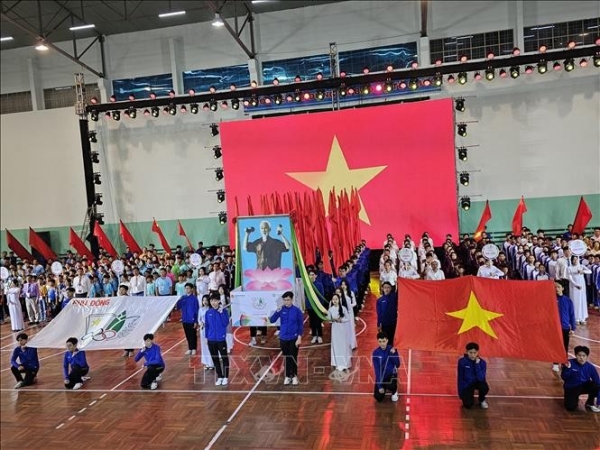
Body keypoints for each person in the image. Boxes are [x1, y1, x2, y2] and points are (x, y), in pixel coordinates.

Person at [269, 291, 304, 385]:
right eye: (284, 300)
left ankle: (295, 376)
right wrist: (277, 311)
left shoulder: (297, 311)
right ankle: (288, 376)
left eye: (288, 300)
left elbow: (301, 325)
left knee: (293, 357)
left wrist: (299, 337)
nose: (286, 302)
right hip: (283, 338)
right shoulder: (281, 310)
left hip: (294, 338)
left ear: (292, 300)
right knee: (287, 357)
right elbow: (272, 320)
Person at [561, 346, 600, 412]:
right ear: (576, 355)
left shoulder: (590, 367)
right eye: (579, 355)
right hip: (571, 388)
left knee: (596, 385)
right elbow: (564, 378)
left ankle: (590, 403)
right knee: (570, 407)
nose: (581, 358)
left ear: (587, 356)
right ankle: (574, 399)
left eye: (584, 355)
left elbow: (598, 383)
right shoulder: (569, 364)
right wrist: (567, 369)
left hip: (584, 386)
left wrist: (599, 402)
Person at [205, 294, 230, 386]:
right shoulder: (208, 312)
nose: (213, 303)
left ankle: (226, 377)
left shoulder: (224, 311)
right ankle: (220, 376)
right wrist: (207, 338)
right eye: (211, 301)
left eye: (215, 301)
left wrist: (221, 313)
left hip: (220, 339)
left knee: (224, 358)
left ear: (219, 301)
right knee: (215, 359)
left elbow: (225, 323)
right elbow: (207, 326)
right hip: (211, 340)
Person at [457, 342, 489, 409]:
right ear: (466, 351)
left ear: (477, 352)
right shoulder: (462, 362)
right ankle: (469, 395)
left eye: (474, 353)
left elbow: (481, 378)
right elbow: (460, 378)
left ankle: (482, 399)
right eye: (470, 352)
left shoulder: (482, 363)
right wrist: (461, 393)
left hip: (478, 382)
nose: (472, 355)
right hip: (467, 384)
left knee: (484, 387)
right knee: (468, 405)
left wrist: (477, 365)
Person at [553, 282, 576, 372]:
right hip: (555, 328)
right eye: (555, 287)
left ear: (562, 288)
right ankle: (555, 363)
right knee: (555, 346)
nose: (556, 289)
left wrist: (573, 328)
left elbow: (572, 314)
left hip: (565, 327)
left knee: (565, 346)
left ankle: (563, 361)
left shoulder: (568, 300)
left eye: (558, 287)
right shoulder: (551, 300)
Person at [372, 332, 400, 402]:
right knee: (378, 397)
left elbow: (398, 364)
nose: (382, 344)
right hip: (382, 376)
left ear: (387, 340)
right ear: (377, 341)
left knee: (391, 385)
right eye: (380, 341)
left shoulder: (392, 349)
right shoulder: (375, 353)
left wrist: (393, 354)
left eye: (384, 341)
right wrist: (380, 386)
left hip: (391, 374)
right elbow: (377, 370)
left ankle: (394, 391)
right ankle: (384, 385)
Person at [328, 293, 352, 372]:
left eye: (336, 299)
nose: (334, 301)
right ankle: (338, 363)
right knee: (336, 345)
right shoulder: (330, 309)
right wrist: (333, 320)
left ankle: (344, 363)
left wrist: (341, 320)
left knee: (343, 345)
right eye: (333, 299)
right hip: (335, 329)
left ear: (339, 300)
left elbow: (348, 319)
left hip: (342, 329)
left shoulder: (343, 308)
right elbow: (329, 320)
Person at [176, 283, 199, 356]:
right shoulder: (183, 298)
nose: (187, 290)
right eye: (186, 288)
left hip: (191, 320)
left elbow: (196, 309)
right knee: (187, 334)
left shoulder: (194, 299)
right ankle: (190, 348)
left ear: (192, 289)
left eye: (188, 288)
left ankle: (194, 348)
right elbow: (178, 307)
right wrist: (179, 300)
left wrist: (195, 320)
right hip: (185, 319)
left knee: (193, 334)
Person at [567, 256, 592, 324]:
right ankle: (576, 318)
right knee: (575, 301)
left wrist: (583, 271)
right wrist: (576, 285)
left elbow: (590, 271)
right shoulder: (569, 268)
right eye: (574, 259)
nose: (575, 260)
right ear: (571, 260)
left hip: (582, 286)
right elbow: (570, 278)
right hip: (574, 287)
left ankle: (582, 317)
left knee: (582, 300)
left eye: (576, 259)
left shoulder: (581, 266)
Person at [376, 282, 398, 346]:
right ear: (382, 288)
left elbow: (399, 291)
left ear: (391, 289)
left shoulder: (394, 297)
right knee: (385, 340)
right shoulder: (379, 300)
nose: (387, 289)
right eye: (385, 287)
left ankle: (392, 353)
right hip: (384, 324)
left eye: (388, 287)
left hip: (393, 323)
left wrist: (399, 281)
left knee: (392, 340)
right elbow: (379, 313)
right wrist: (378, 324)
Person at [198, 295, 214, 370]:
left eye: (206, 300)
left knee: (210, 345)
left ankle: (212, 363)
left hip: (210, 329)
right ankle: (207, 363)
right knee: (204, 346)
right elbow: (199, 319)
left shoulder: (212, 310)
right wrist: (201, 323)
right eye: (203, 300)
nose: (205, 302)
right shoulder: (201, 310)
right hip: (203, 329)